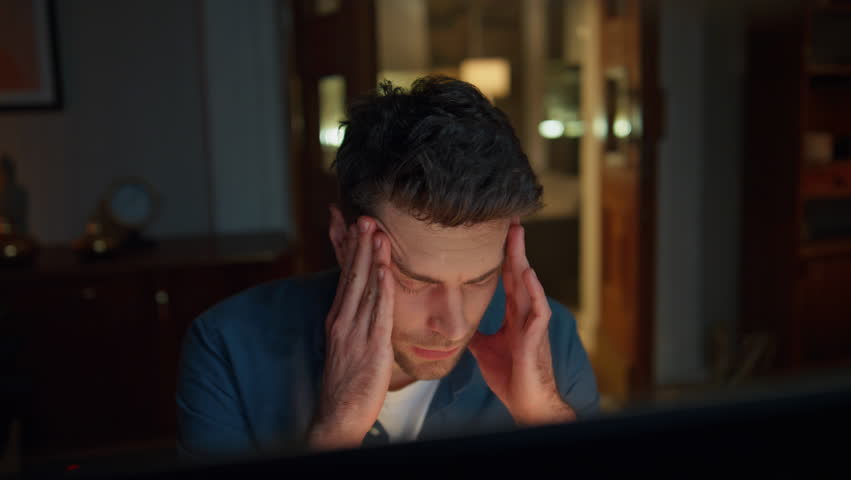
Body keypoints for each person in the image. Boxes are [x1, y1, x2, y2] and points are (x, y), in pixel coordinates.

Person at [176, 76, 599, 463]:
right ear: (342, 239)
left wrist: (542, 415)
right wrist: (338, 428)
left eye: (480, 279)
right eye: (415, 280)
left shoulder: (549, 338)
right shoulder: (228, 347)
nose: (453, 325)